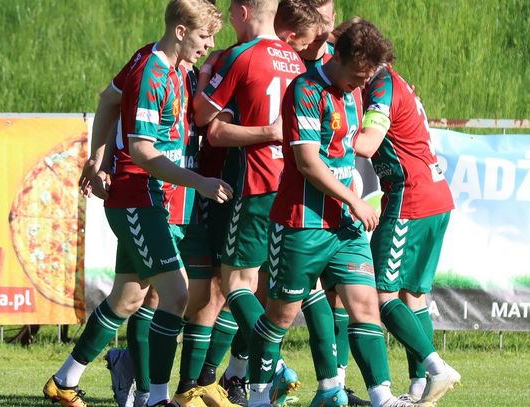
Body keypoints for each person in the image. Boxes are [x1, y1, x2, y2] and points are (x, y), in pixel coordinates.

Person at [43, 2, 230, 407]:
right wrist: (198, 181)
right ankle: (156, 397)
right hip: (137, 197)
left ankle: (64, 381)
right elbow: (143, 152)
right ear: (180, 32)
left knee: (128, 297)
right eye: (204, 36)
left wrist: (98, 156)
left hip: (154, 198)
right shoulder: (150, 71)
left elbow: (107, 100)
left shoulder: (174, 66)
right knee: (175, 295)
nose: (209, 45)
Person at [245, 20, 434, 407]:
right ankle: (258, 395)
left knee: (366, 305)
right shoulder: (305, 90)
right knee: (281, 315)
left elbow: (348, 151)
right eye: (358, 75)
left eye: (367, 77)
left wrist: (351, 204)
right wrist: (354, 200)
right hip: (302, 224)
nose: (363, 83)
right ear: (340, 58)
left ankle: (382, 397)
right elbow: (308, 162)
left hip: (345, 227)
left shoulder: (354, 92)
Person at [193, 1, 324, 405]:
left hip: (254, 181)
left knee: (233, 283)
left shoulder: (240, 56)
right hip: (292, 185)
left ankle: (273, 363)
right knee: (262, 287)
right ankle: (238, 377)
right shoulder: (297, 62)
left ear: (244, 11)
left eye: (232, 9)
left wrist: (205, 74)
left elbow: (205, 121)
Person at [353, 61, 461, 403]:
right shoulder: (396, 81)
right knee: (413, 296)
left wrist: (322, 133)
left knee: (380, 294)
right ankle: (420, 386)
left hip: (409, 198)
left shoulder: (381, 86)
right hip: (435, 195)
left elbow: (367, 145)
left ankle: (436, 368)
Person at [297, 6, 371, 406]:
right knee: (265, 303)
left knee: (353, 299)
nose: (325, 27)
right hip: (291, 207)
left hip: (339, 211)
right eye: (319, 17)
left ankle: (342, 387)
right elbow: (308, 160)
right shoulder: (302, 80)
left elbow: (357, 144)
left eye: (330, 16)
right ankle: (248, 384)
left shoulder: (353, 87)